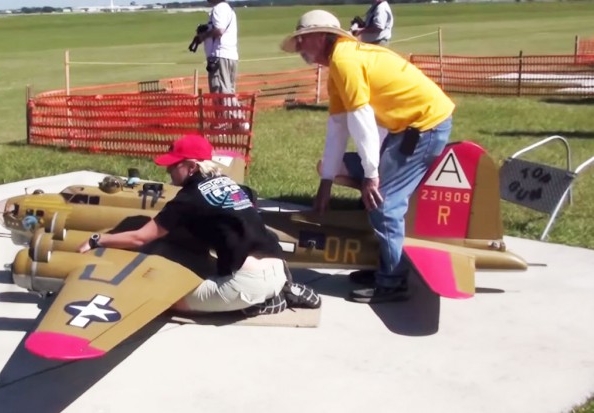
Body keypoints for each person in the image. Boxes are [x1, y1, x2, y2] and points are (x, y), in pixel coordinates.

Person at [280, 10, 455, 303]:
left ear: (323, 37)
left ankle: (393, 280)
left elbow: (361, 119)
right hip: (405, 129)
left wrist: (372, 175)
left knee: (383, 203)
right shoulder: (339, 63)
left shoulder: (345, 61)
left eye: (303, 40)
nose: (299, 48)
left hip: (424, 126)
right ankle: (381, 263)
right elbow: (338, 126)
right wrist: (326, 183)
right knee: (358, 181)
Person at [78, 134, 319, 315]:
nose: (169, 171)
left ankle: (259, 303)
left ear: (191, 166)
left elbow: (140, 238)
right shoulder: (226, 180)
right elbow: (246, 199)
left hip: (248, 282)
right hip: (279, 268)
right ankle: (277, 291)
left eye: (174, 166)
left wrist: (97, 239)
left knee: (163, 301)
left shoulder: (188, 199)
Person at [197, 0, 239, 96]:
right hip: (230, 56)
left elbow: (220, 30)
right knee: (229, 94)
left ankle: (224, 112)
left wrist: (204, 36)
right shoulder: (229, 9)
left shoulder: (219, 8)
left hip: (219, 56)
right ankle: (233, 111)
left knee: (220, 94)